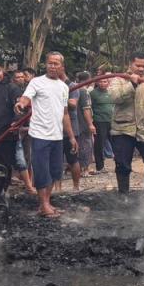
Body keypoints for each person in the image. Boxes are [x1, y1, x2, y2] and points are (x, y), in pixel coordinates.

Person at [15, 52, 77, 218]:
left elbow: (65, 114)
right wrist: (21, 104)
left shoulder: (64, 87)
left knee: (55, 171)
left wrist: (71, 137)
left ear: (62, 67)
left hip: (57, 136)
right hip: (40, 135)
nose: (52, 66)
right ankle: (43, 205)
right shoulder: (36, 82)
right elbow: (26, 98)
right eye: (50, 63)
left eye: (56, 63)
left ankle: (47, 203)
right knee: (42, 171)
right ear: (46, 65)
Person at [107, 53, 144, 199]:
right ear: (130, 65)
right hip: (122, 130)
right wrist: (131, 84)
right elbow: (114, 97)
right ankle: (123, 193)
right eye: (138, 65)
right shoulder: (119, 80)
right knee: (122, 163)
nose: (141, 69)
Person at [10, 69, 36, 194]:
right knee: (19, 157)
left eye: (22, 77)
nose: (21, 79)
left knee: (28, 156)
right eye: (18, 77)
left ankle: (29, 183)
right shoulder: (12, 91)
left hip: (28, 127)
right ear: (13, 79)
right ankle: (25, 183)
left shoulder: (27, 90)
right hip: (16, 128)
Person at [90, 71, 114, 173]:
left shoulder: (111, 92)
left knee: (116, 143)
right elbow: (88, 108)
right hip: (99, 122)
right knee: (99, 144)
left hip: (112, 121)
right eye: (101, 81)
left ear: (108, 82)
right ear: (97, 82)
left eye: (105, 81)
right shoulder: (93, 93)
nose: (103, 83)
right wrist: (91, 123)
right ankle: (100, 167)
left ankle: (119, 164)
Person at [74, 70, 97, 176]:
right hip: (83, 124)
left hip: (75, 123)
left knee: (79, 146)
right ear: (89, 79)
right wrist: (90, 124)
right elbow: (86, 109)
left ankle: (79, 168)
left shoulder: (74, 89)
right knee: (86, 145)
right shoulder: (83, 91)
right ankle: (85, 169)